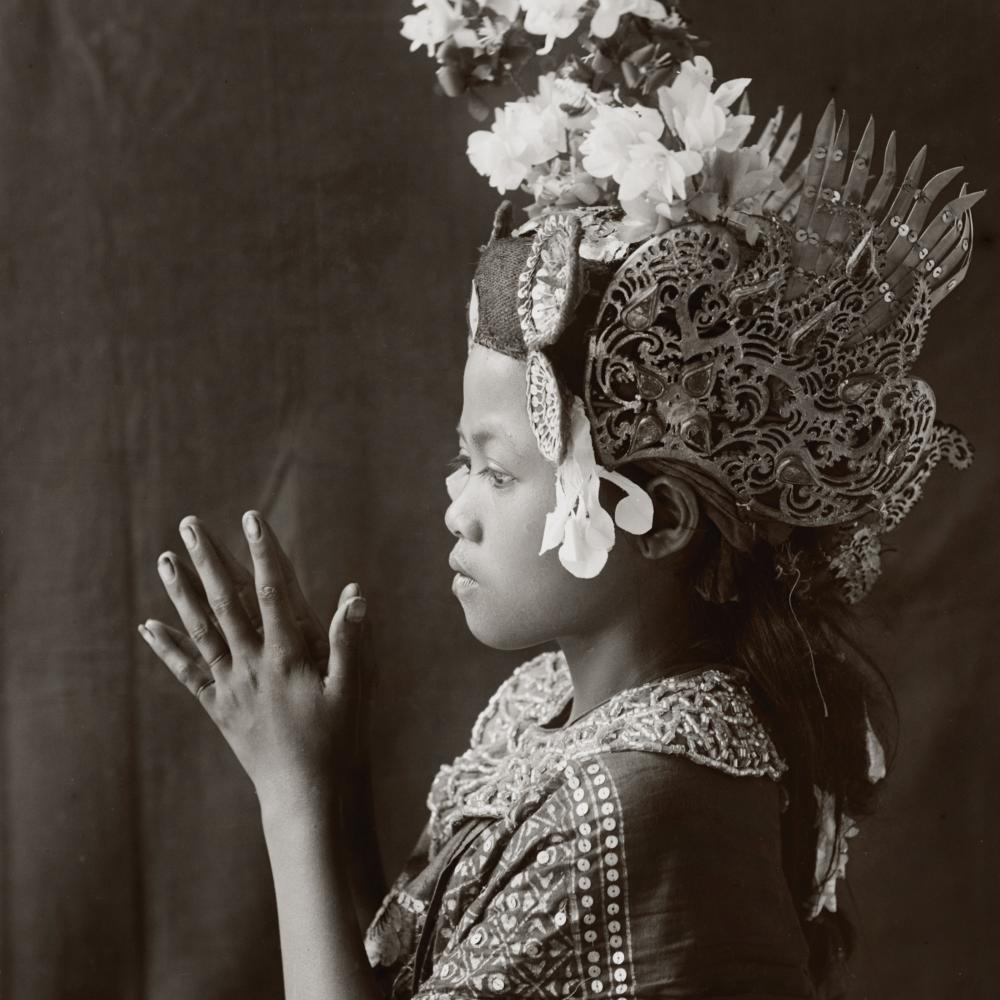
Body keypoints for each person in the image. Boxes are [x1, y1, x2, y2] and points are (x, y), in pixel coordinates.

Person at [138, 5, 979, 998]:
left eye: (497, 471)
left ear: (656, 514)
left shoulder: (635, 795)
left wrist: (293, 791)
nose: (457, 506)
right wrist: (321, 767)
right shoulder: (552, 706)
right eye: (465, 461)